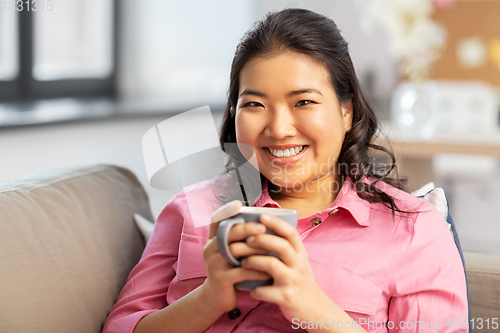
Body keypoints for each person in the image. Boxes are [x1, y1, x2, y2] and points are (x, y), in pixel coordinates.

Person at [103, 8, 468, 333]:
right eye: (255, 104)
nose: (278, 129)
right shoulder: (191, 208)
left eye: (304, 102)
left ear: (346, 110)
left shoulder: (413, 229)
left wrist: (312, 307)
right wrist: (208, 298)